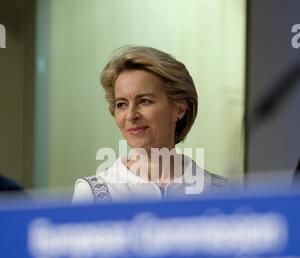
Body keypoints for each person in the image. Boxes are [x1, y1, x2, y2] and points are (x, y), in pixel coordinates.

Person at [72, 46, 227, 203]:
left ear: (179, 109)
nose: (131, 115)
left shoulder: (222, 193)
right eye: (121, 104)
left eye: (144, 101)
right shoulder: (91, 195)